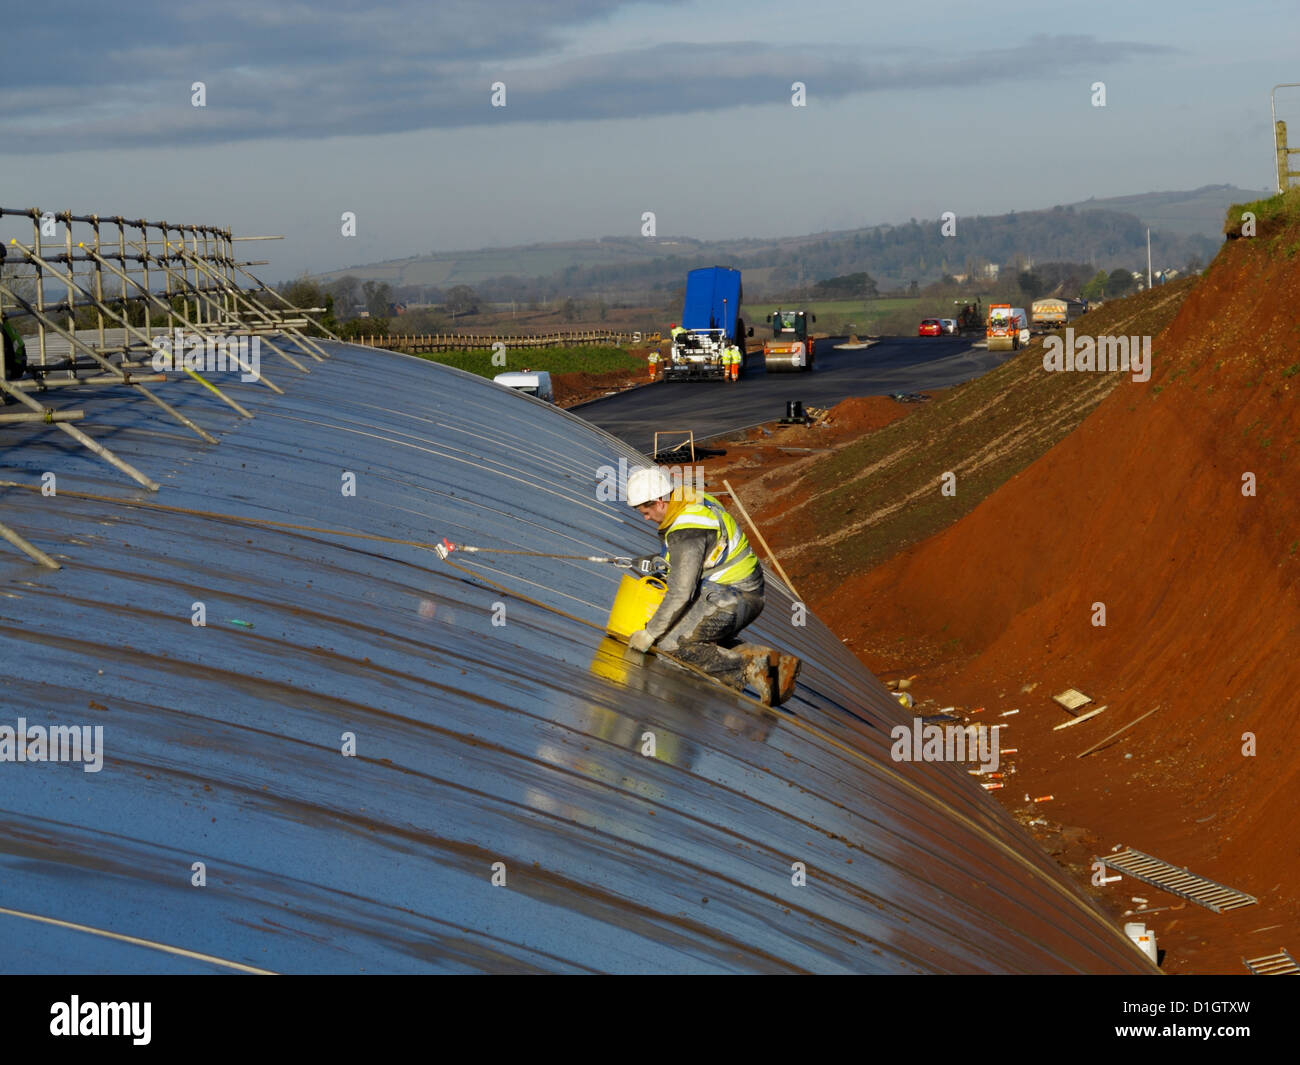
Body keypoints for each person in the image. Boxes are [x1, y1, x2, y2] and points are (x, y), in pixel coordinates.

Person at [623, 466, 801, 706]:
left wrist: (649, 633)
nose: (646, 518)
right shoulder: (693, 500)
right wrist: (662, 561)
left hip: (733, 596)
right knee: (696, 638)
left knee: (671, 645)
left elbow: (680, 593)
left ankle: (752, 670)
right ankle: (770, 664)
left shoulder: (686, 530)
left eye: (646, 511)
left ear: (659, 501)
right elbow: (702, 554)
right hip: (743, 590)